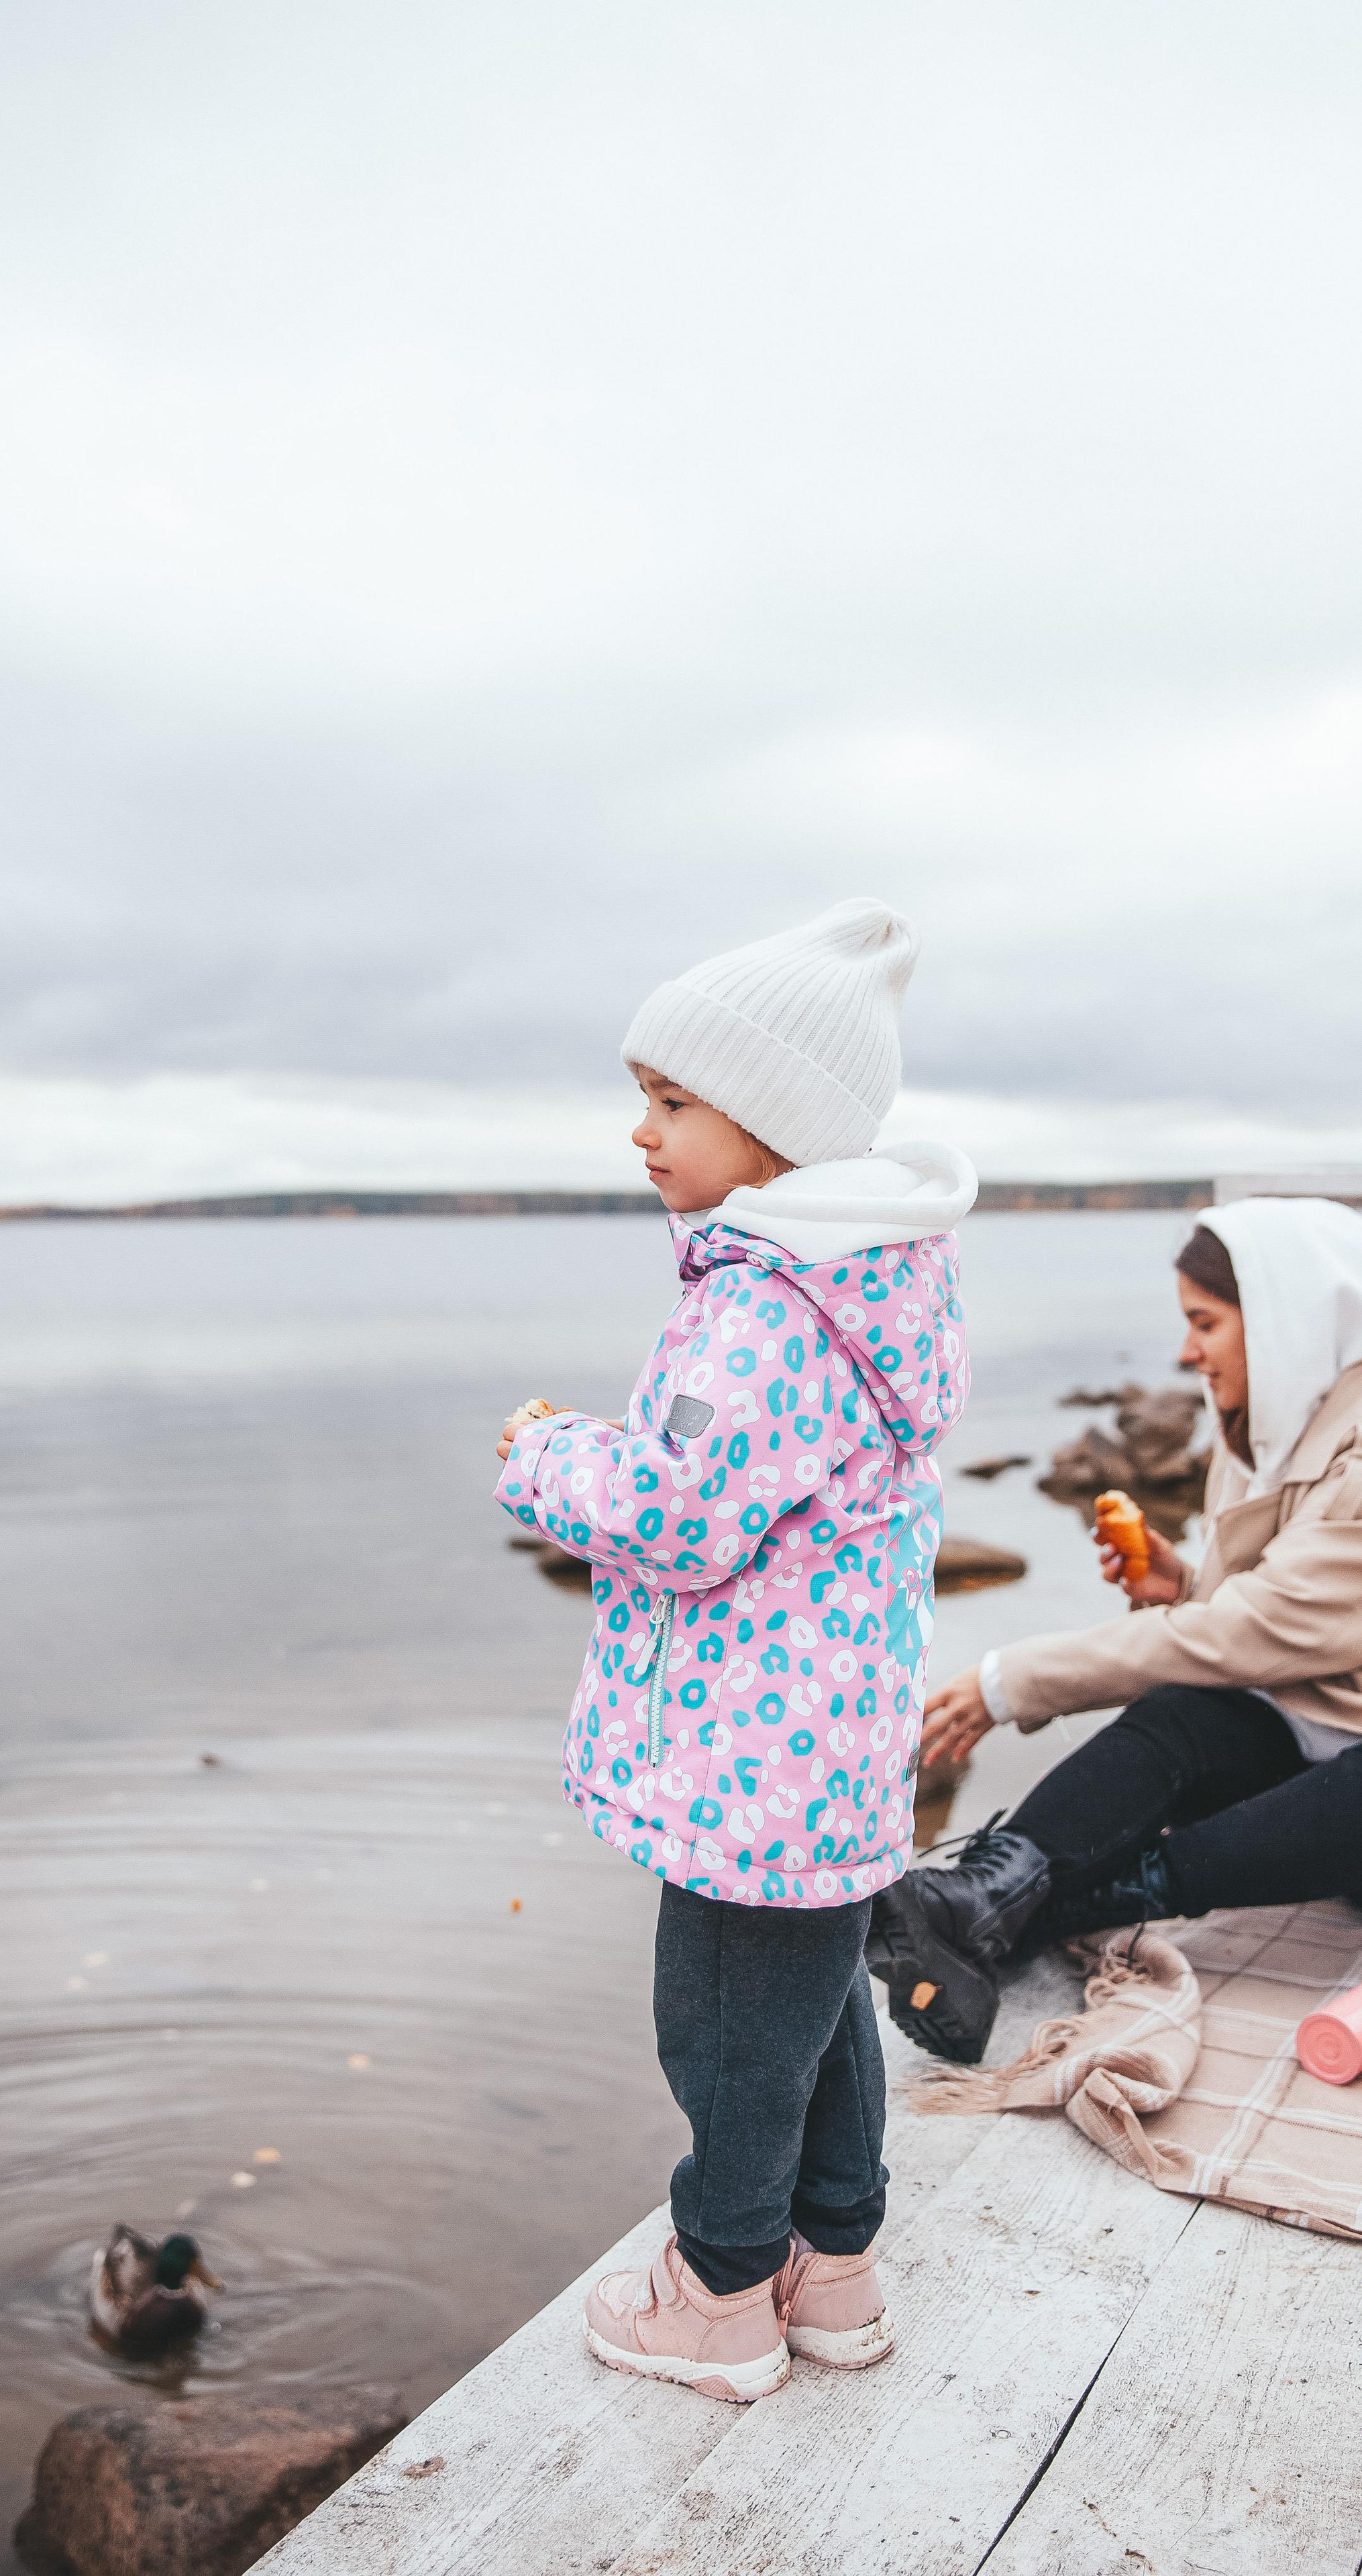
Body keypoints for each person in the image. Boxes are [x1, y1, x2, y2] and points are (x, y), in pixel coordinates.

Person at [495, 898, 976, 2400]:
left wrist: (543, 1454)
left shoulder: (765, 1311)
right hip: (822, 1747)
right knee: (821, 2000)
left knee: (721, 2030)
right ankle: (829, 2270)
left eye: (670, 1101)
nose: (639, 1131)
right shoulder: (869, 1292)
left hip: (737, 1761)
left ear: (771, 1124)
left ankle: (715, 2291)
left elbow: (678, 1508)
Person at [866, 1195, 1362, 2067]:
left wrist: (1011, 1680)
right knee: (1189, 1712)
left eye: (1205, 1323)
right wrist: (1178, 1580)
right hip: (1300, 1757)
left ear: (1283, 1324)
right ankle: (988, 1891)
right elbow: (1268, 1616)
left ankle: (1036, 1912)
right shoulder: (1260, 1432)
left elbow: (1251, 1630)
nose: (1186, 1352)